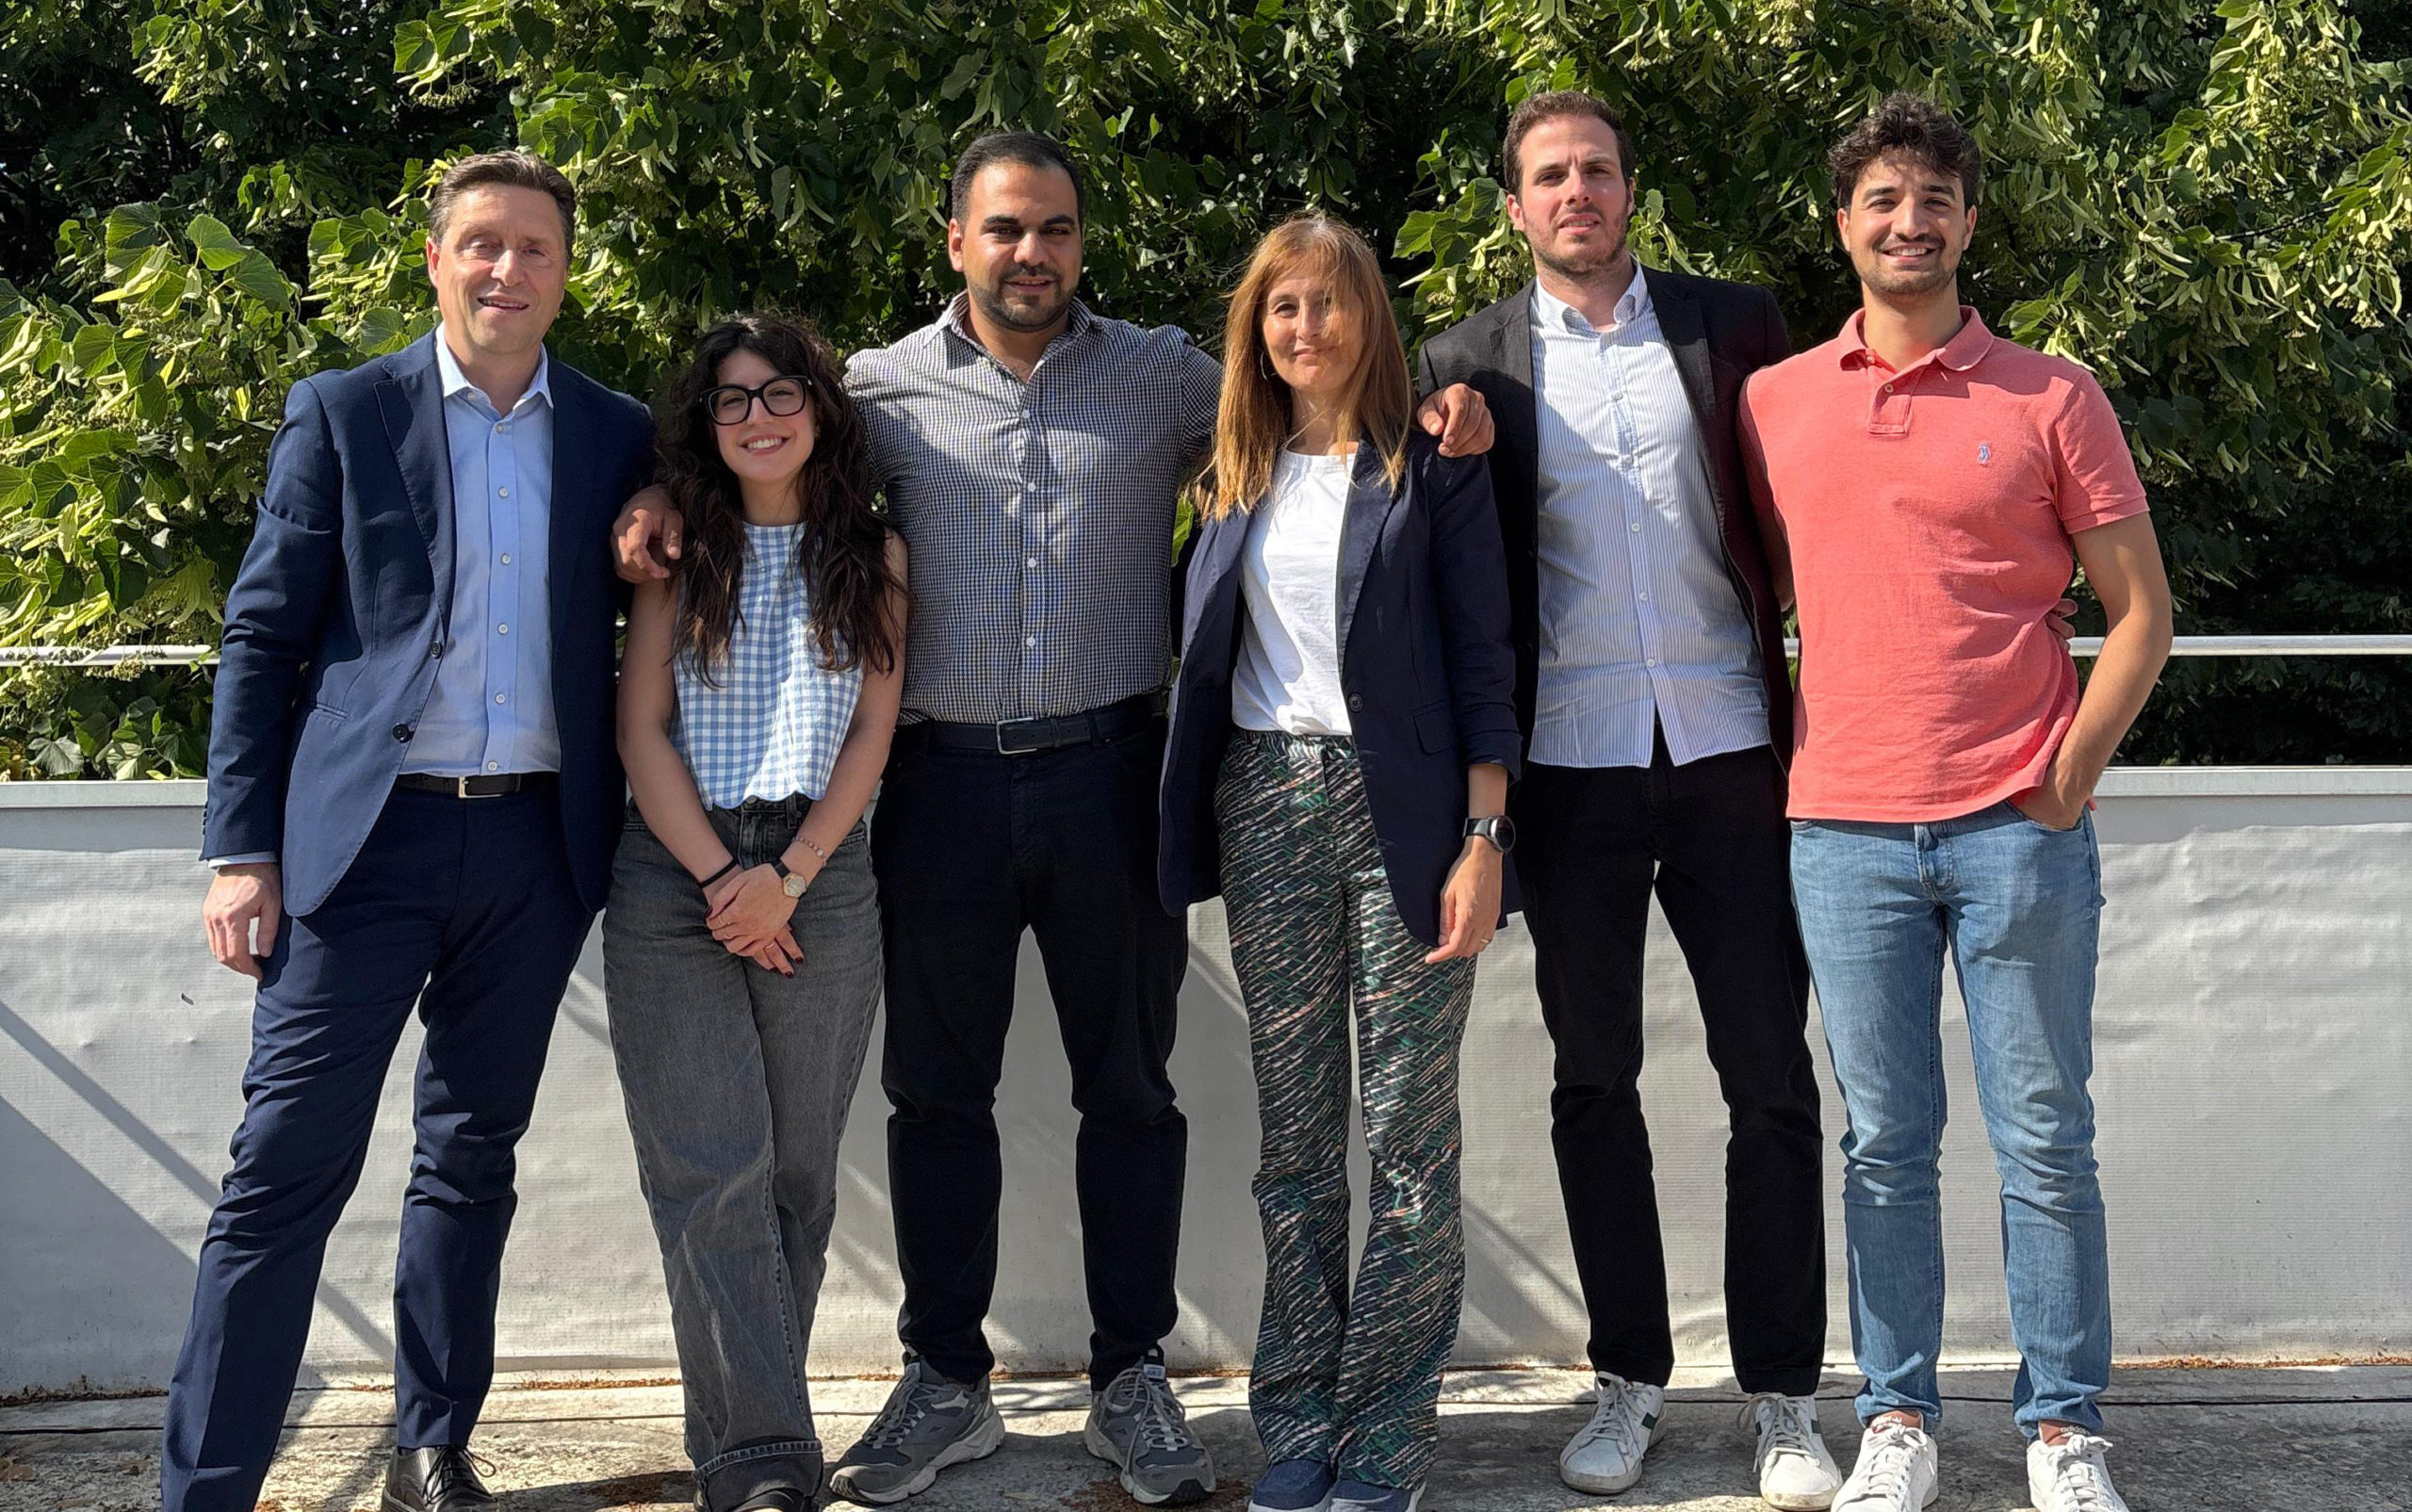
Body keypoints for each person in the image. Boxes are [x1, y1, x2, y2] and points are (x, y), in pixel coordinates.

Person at [611, 132, 1495, 1508]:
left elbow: (1315, 387)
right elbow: (758, 446)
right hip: (940, 785)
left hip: (1111, 775)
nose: (1033, 253)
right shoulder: (878, 388)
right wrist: (659, 495)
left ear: (1082, 244)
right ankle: (944, 1379)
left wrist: (1444, 399)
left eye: (1058, 229)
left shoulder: (1163, 378)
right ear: (956, 239)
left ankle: (1131, 1375)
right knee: (935, 1094)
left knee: (1130, 1090)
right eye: (1007, 228)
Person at [176, 151, 656, 1512]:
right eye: (483, 245)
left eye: (536, 247)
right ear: (437, 261)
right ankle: (208, 1486)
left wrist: (664, 513)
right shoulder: (345, 411)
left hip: (534, 852)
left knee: (470, 1160)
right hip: (358, 852)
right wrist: (240, 850)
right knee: (282, 1171)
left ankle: (431, 1444)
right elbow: (262, 638)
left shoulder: (617, 433)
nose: (509, 269)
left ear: (567, 271)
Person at [1738, 95, 2174, 1512]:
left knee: (2044, 1136)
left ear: (1969, 222)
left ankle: (2063, 1431)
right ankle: (1898, 1419)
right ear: (1843, 224)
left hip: (2014, 828)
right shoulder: (1776, 399)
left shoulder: (2053, 396)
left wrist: (2069, 774)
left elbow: (2142, 612)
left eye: (1934, 199)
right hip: (1841, 828)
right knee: (1884, 1146)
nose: (1908, 222)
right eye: (1882, 199)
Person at [1415, 91, 1842, 1508]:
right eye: (1550, 175)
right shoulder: (1465, 362)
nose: (1577, 192)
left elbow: (1814, 503)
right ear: (1515, 206)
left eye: (1596, 169)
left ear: (1631, 187)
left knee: (1769, 1078)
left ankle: (1783, 1394)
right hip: (1568, 768)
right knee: (1593, 1081)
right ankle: (1629, 1377)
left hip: (1732, 752)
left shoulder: (1736, 326)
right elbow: (1444, 576)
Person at [1156, 213, 1520, 1512]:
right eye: (1282, 307)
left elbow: (1484, 659)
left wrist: (1484, 837)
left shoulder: (1432, 466)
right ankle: (1298, 1418)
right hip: (1266, 805)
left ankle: (1387, 1436)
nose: (1305, 327)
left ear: (1370, 316)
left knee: (1410, 1136)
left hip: (1406, 817)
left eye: (1328, 302)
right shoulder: (1228, 479)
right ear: (1256, 330)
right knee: (1296, 1140)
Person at [604, 314, 907, 1512]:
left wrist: (788, 876)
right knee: (707, 1172)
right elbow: (641, 731)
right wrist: (722, 881)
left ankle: (748, 1442)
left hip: (820, 876)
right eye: (731, 399)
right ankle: (764, 1459)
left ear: (819, 410)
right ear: (706, 423)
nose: (758, 417)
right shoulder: (682, 551)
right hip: (675, 873)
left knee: (795, 1178)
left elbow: (873, 729)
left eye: (780, 392)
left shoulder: (873, 554)